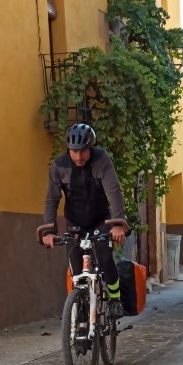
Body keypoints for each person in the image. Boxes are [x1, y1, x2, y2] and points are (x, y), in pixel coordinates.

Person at [41, 123, 129, 319]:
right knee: (76, 271)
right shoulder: (59, 166)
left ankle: (114, 299)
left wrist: (117, 223)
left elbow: (113, 191)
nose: (79, 157)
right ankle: (79, 316)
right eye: (74, 152)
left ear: (90, 148)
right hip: (75, 221)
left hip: (101, 220)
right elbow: (52, 199)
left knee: (106, 260)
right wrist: (48, 230)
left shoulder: (101, 159)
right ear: (68, 150)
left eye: (83, 151)